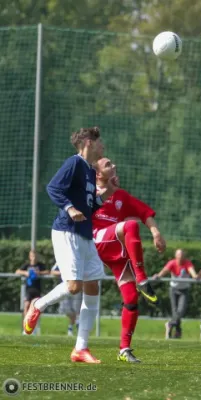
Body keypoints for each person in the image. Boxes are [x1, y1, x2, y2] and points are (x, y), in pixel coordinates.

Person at [23, 127, 117, 364]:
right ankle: (38, 304)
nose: (102, 146)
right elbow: (53, 188)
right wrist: (70, 208)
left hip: (84, 234)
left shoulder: (87, 170)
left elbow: (90, 205)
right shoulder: (74, 163)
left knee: (93, 285)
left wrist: (109, 192)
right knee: (74, 286)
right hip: (67, 231)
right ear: (88, 142)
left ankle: (80, 348)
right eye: (99, 142)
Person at [92, 157, 166, 363]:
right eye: (108, 165)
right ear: (98, 174)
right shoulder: (87, 191)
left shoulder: (121, 195)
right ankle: (142, 278)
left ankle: (124, 349)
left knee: (131, 298)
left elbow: (144, 212)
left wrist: (156, 232)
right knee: (130, 226)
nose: (114, 166)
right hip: (97, 239)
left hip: (115, 246)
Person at [153, 249, 197, 339]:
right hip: (174, 290)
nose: (180, 258)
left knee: (180, 311)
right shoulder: (172, 263)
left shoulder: (187, 263)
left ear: (184, 257)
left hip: (184, 290)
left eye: (182, 256)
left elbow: (191, 271)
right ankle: (177, 333)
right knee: (175, 312)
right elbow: (164, 271)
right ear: (176, 256)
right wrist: (158, 276)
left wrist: (195, 276)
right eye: (179, 256)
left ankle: (169, 324)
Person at [15, 250, 49, 335]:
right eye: (32, 256)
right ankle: (26, 327)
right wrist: (25, 272)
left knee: (37, 309)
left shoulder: (40, 265)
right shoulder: (27, 265)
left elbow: (48, 271)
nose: (34, 257)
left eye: (35, 256)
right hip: (28, 290)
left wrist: (39, 273)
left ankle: (34, 328)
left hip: (37, 290)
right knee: (26, 306)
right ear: (29, 256)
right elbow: (17, 271)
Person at [51, 264, 82, 336]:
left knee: (77, 310)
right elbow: (52, 271)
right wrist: (64, 273)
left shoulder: (77, 258)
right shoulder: (61, 259)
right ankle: (75, 324)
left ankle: (74, 328)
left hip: (76, 288)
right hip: (65, 289)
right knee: (66, 310)